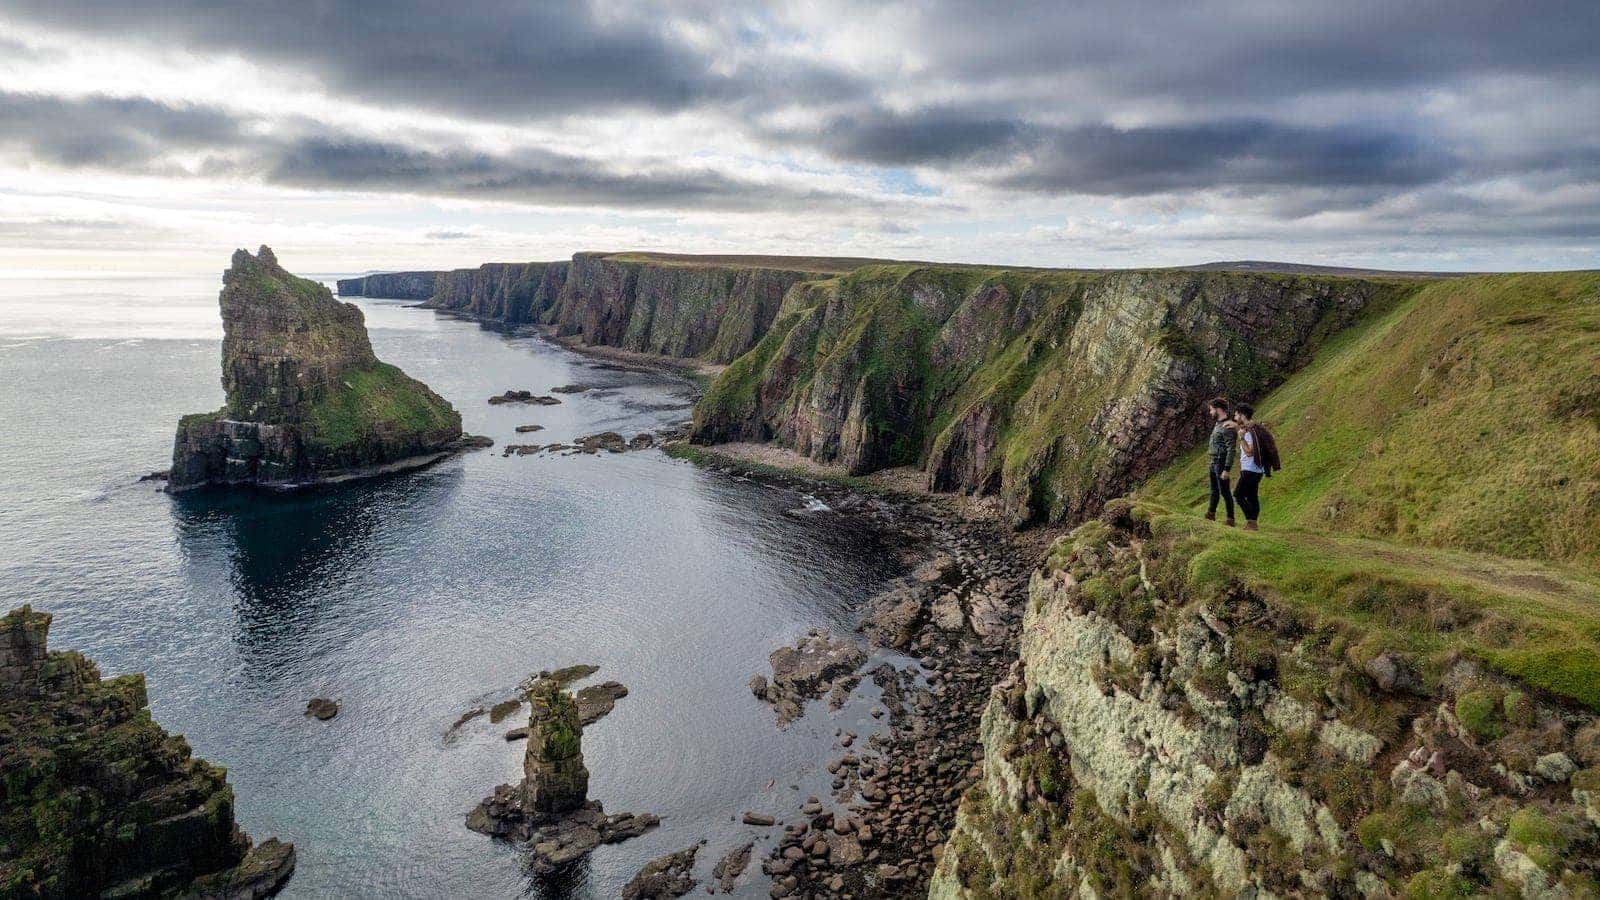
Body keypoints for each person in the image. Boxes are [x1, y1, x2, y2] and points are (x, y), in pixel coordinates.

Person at [1232, 403, 1278, 531]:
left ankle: (1251, 521)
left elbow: (1250, 452)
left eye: (1236, 415)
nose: (1235, 417)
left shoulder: (1250, 431)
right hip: (1255, 469)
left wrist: (1241, 438)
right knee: (1252, 496)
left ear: (1242, 415)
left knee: (1238, 495)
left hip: (1250, 469)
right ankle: (1252, 523)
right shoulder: (1251, 428)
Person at [1204, 397, 1236, 526]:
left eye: (1211, 410)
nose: (1210, 413)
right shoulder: (1218, 424)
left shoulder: (1227, 426)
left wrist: (1227, 469)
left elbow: (1231, 449)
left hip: (1221, 461)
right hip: (1213, 461)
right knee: (1214, 490)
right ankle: (1210, 514)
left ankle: (1230, 519)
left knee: (1225, 491)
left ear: (1218, 409)